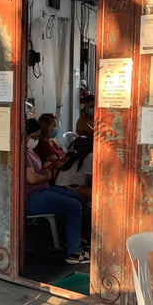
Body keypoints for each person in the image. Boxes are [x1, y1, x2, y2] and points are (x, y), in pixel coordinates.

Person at [25, 118, 90, 265]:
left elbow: (36, 174)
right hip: (32, 197)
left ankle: (72, 238)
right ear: (25, 134)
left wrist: (44, 170)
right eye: (34, 137)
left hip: (42, 189)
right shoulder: (22, 153)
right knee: (74, 206)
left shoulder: (30, 151)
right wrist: (46, 176)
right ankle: (74, 252)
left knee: (77, 198)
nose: (35, 140)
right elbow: (32, 179)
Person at [55, 136, 93, 202]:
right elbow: (92, 179)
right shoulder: (90, 156)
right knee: (96, 193)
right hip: (65, 187)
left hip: (67, 184)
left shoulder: (85, 153)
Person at [35, 113, 67, 179]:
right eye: (54, 126)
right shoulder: (42, 144)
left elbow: (64, 155)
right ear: (46, 127)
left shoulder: (53, 141)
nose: (55, 128)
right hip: (52, 176)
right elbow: (57, 164)